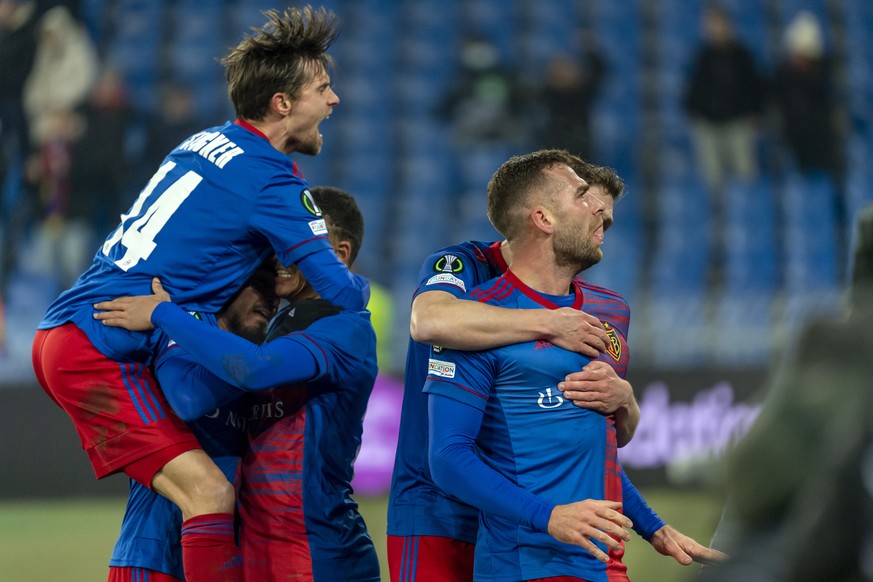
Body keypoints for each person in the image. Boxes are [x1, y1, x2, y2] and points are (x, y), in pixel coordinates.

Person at [31, 8, 366, 582]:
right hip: (101, 344)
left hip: (78, 326)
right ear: (283, 103)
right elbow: (342, 291)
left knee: (193, 480)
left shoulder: (205, 142)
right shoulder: (271, 178)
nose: (334, 101)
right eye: (323, 87)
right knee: (209, 492)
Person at [388, 153, 724, 580]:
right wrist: (548, 322)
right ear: (543, 216)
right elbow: (428, 321)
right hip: (439, 507)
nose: (599, 221)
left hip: (566, 542)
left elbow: (599, 439)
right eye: (586, 201)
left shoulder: (606, 311)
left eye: (605, 217)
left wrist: (628, 404)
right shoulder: (463, 269)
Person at [96, 187, 380, 582]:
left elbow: (252, 371)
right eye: (280, 241)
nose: (283, 255)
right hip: (249, 556)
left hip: (320, 553)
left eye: (299, 242)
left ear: (340, 255)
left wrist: (164, 314)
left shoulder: (344, 330)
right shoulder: (268, 329)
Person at [107, 262, 279, 582]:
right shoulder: (181, 332)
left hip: (224, 555)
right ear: (228, 282)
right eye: (261, 284)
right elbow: (187, 400)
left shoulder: (261, 363)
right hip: (153, 556)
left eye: (277, 290)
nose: (272, 298)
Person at [684, 3, 764, 194]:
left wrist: (755, 114)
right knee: (712, 181)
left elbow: (755, 88)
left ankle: (746, 215)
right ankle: (717, 218)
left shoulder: (743, 56)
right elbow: (692, 90)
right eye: (711, 24)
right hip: (709, 124)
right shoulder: (702, 56)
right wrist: (695, 114)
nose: (715, 28)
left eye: (719, 23)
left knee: (746, 177)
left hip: (739, 123)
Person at [771, 10, 840, 177]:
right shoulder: (784, 72)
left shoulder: (822, 68)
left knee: (827, 176)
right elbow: (776, 95)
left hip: (821, 134)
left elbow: (823, 90)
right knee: (803, 179)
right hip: (796, 134)